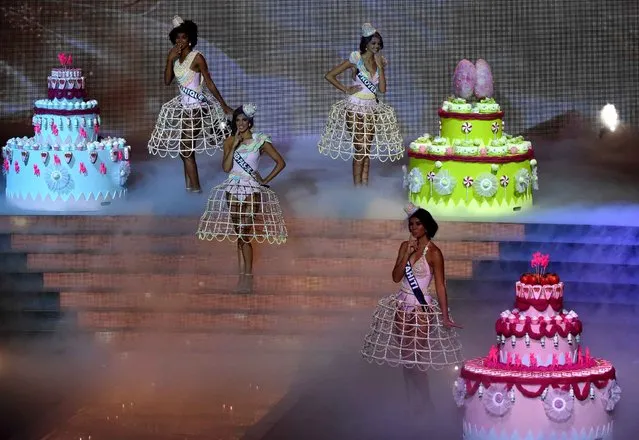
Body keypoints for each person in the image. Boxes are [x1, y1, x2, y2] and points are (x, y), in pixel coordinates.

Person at [361, 204, 463, 409]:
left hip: (420, 310)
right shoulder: (404, 247)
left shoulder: (435, 253)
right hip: (401, 306)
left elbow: (441, 286)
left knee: (416, 359)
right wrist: (406, 254)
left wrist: (444, 316)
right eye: (411, 224)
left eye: (417, 224)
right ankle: (411, 401)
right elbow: (396, 277)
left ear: (426, 226)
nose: (413, 228)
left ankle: (426, 403)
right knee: (405, 358)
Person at [196, 104, 287, 293]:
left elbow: (280, 162)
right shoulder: (229, 141)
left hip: (251, 189)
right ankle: (242, 276)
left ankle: (248, 277)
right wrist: (234, 145)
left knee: (245, 234)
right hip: (232, 189)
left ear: (250, 122)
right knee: (239, 234)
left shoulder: (260, 140)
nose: (241, 123)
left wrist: (265, 180)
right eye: (237, 120)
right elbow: (226, 168)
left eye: (244, 120)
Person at [148, 15, 233, 192]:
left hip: (197, 109)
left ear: (190, 40)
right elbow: (166, 81)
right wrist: (169, 59)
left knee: (185, 150)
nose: (180, 40)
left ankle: (195, 189)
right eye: (177, 37)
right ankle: (190, 187)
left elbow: (209, 82)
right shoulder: (176, 60)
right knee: (185, 151)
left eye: (184, 37)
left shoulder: (197, 57)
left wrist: (223, 105)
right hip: (184, 110)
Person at [318, 23, 403, 186]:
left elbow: (383, 90)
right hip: (355, 106)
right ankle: (357, 188)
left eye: (378, 44)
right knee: (360, 148)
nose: (376, 46)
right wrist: (345, 89)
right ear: (366, 43)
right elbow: (330, 75)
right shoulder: (355, 58)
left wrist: (380, 67)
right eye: (373, 43)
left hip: (372, 106)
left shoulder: (381, 62)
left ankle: (365, 186)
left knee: (367, 149)